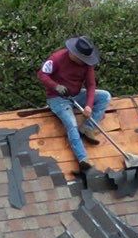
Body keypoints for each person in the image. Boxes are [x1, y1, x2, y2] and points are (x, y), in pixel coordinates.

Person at [38, 35, 111, 164]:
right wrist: (56, 86)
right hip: (57, 98)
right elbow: (42, 74)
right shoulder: (57, 58)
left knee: (105, 96)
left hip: (76, 95)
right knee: (72, 124)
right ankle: (83, 159)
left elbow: (91, 85)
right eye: (81, 59)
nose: (83, 62)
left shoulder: (87, 63)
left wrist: (88, 105)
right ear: (73, 53)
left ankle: (88, 128)